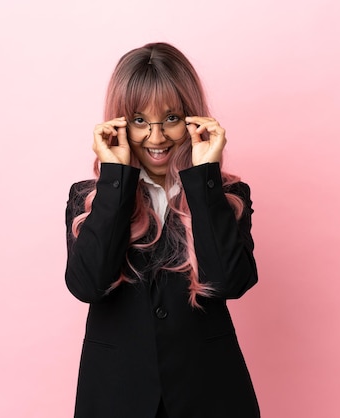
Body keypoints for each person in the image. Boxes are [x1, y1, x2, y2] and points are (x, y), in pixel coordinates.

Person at [65, 42, 260, 418]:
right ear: (119, 125)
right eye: (140, 121)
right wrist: (115, 181)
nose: (156, 138)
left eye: (171, 118)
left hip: (209, 395)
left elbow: (229, 284)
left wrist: (204, 179)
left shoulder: (226, 196)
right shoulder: (89, 199)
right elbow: (87, 285)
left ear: (192, 120)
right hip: (114, 397)